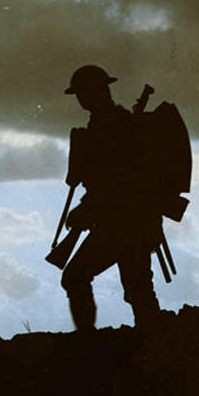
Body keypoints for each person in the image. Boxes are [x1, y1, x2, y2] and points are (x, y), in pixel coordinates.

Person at [59, 65, 162, 330]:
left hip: (125, 223)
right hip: (125, 222)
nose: (81, 98)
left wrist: (85, 210)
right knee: (138, 288)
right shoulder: (108, 125)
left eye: (84, 91)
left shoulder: (113, 127)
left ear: (100, 90)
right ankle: (152, 344)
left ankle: (92, 342)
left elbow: (116, 182)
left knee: (80, 278)